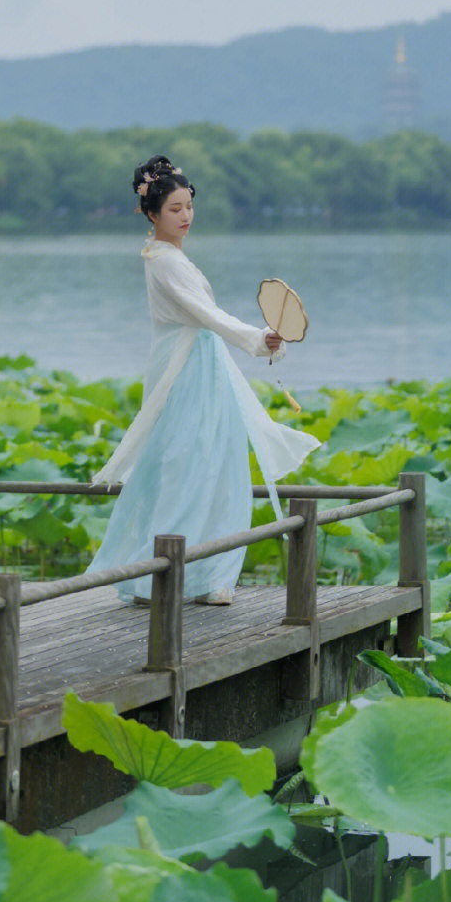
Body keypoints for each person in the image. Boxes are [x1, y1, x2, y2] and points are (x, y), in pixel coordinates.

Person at [88, 155, 320, 605]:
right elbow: (207, 315)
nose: (185, 216)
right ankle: (170, 574)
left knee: (213, 463)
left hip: (201, 365)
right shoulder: (165, 262)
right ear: (151, 213)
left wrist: (256, 340)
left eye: (188, 206)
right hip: (183, 370)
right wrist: (257, 338)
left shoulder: (170, 256)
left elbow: (206, 318)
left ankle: (207, 575)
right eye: (174, 209)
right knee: (184, 466)